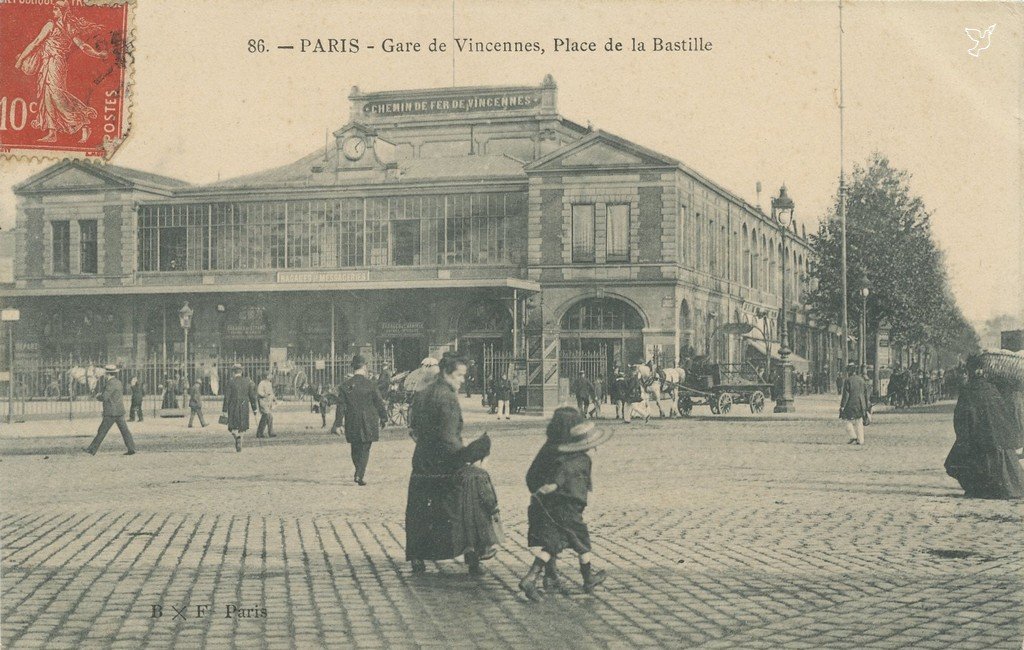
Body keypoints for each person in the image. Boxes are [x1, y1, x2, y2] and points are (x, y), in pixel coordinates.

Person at [405, 352, 492, 575]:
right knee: (467, 503)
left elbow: (413, 427)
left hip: (423, 461)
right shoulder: (447, 398)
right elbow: (448, 438)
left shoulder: (422, 394)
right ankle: (474, 553)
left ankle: (417, 556)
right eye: (460, 375)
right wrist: (468, 455)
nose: (462, 380)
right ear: (446, 372)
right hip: (444, 466)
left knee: (420, 511)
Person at [519, 406, 611, 600]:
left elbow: (533, 477)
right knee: (569, 541)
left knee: (553, 541)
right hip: (558, 505)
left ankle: (547, 576)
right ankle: (577, 578)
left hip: (548, 502)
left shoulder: (553, 447)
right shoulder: (567, 454)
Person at [14, 0, 107, 144]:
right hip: (47, 63)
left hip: (57, 64)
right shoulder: (53, 25)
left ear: (62, 11)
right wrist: (21, 59)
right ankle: (52, 133)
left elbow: (82, 46)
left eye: (56, 9)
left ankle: (83, 123)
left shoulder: (61, 27)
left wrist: (97, 54)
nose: (53, 11)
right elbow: (36, 42)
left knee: (57, 95)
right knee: (47, 97)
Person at [944, 355, 1024, 499]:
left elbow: (962, 416)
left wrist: (963, 436)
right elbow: (1001, 413)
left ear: (971, 371)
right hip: (998, 437)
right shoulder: (992, 388)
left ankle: (980, 488)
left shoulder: (968, 391)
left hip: (977, 437)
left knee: (956, 462)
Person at [336, 355, 388, 485]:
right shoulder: (371, 384)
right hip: (369, 421)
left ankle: (358, 471)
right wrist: (384, 418)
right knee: (365, 448)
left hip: (352, 420)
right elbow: (379, 403)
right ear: (364, 367)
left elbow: (340, 405)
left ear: (353, 368)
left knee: (355, 447)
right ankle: (359, 474)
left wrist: (338, 424)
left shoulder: (345, 385)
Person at [85, 364, 136, 456]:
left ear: (107, 374)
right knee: (125, 431)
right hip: (119, 411)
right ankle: (131, 448)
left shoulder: (110, 383)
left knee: (102, 431)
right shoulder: (118, 382)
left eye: (105, 373)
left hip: (111, 412)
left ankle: (92, 449)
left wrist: (97, 396)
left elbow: (105, 397)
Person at [222, 363, 257, 452]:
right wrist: (254, 408)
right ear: (241, 371)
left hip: (233, 406)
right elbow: (252, 396)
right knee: (243, 425)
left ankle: (236, 436)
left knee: (232, 426)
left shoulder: (230, 382)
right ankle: (240, 436)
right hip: (244, 405)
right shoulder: (247, 381)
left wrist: (224, 410)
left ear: (233, 372)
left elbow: (227, 397)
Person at [840, 363, 869, 445]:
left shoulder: (848, 381)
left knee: (846, 420)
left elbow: (846, 395)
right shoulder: (861, 380)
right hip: (860, 404)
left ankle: (853, 436)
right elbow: (866, 394)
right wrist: (866, 405)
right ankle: (861, 440)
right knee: (859, 421)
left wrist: (842, 406)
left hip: (850, 404)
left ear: (849, 371)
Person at [255, 371, 276, 439]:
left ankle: (260, 433)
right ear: (267, 376)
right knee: (268, 416)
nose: (271, 376)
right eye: (270, 375)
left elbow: (271, 392)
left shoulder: (269, 383)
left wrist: (274, 399)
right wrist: (265, 395)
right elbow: (259, 392)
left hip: (268, 402)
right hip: (263, 401)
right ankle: (270, 432)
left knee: (265, 417)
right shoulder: (262, 383)